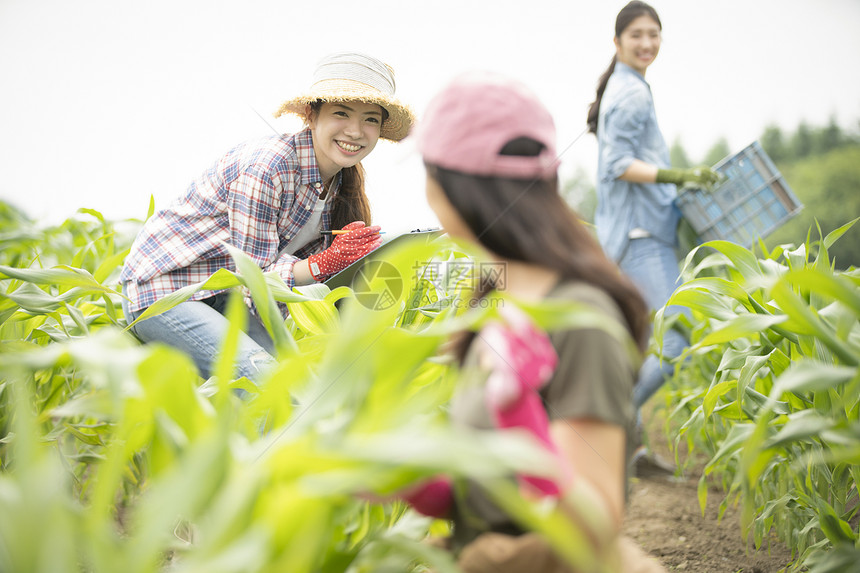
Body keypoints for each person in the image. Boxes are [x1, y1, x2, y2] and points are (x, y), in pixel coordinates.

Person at [404, 72, 666, 572]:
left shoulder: (580, 319)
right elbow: (498, 494)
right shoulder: (492, 302)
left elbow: (592, 525)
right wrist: (425, 487)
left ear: (457, 188)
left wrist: (495, 556)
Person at [119, 52, 414, 381]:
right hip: (170, 290)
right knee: (264, 382)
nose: (356, 131)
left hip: (229, 297)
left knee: (298, 385)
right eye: (341, 113)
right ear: (311, 114)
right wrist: (325, 264)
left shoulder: (341, 184)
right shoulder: (269, 166)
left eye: (370, 119)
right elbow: (253, 277)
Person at [586, 1, 719, 462]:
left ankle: (632, 448)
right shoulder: (632, 94)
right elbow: (616, 165)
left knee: (636, 343)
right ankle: (609, 424)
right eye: (637, 34)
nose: (646, 43)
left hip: (631, 233)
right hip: (642, 237)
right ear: (618, 41)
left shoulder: (628, 86)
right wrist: (675, 176)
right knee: (675, 338)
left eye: (653, 34)